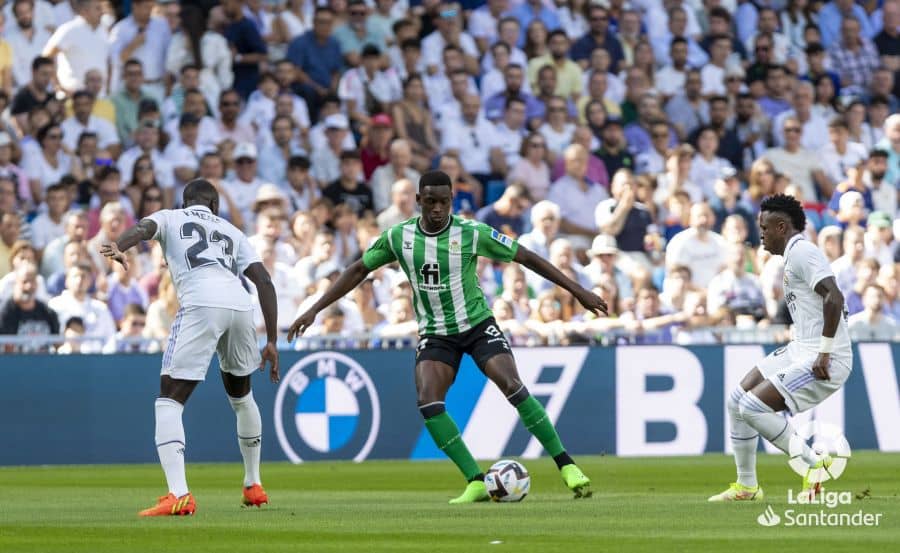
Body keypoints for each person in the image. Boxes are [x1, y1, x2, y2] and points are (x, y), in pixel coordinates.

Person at [287, 171, 606, 504]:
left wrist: (578, 290)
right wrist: (315, 308)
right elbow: (357, 270)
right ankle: (476, 480)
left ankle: (566, 465)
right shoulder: (399, 237)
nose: (438, 209)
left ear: (452, 200)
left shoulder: (472, 233)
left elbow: (525, 257)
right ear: (418, 201)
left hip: (477, 324)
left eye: (444, 202)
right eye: (431, 202)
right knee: (428, 399)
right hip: (436, 333)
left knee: (511, 384)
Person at [100, 178, 280, 517]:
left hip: (201, 303)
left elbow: (142, 228)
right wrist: (271, 340)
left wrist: (120, 246)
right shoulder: (232, 230)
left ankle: (178, 494)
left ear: (186, 204)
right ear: (214, 206)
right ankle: (253, 484)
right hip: (241, 306)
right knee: (242, 398)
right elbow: (265, 282)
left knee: (168, 400)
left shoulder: (171, 216)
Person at [708, 194, 852, 502]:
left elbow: (835, 298)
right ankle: (747, 487)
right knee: (736, 401)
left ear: (782, 227)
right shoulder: (792, 256)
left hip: (825, 357)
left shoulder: (802, 252)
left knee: (751, 407)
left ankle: (813, 467)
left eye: (765, 227)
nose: (760, 233)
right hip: (801, 347)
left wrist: (825, 351)